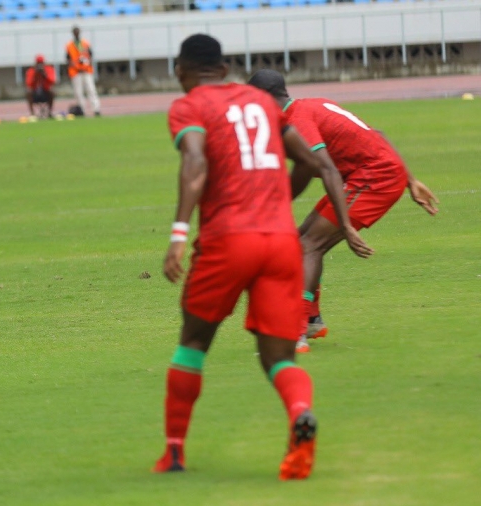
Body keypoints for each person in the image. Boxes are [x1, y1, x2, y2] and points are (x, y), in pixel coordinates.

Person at [153, 34, 372, 480]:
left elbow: (195, 162)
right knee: (280, 358)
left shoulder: (189, 106)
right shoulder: (262, 102)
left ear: (181, 70)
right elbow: (314, 164)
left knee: (193, 344)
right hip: (279, 243)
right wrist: (277, 197)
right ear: (226, 66)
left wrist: (178, 233)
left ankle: (174, 452)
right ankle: (299, 414)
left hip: (227, 240)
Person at [247, 69, 439, 353]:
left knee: (307, 246)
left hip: (376, 179)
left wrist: (347, 227)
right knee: (301, 240)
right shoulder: (314, 104)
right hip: (370, 175)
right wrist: (411, 180)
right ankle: (312, 320)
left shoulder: (296, 120)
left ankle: (296, 330)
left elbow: (326, 170)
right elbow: (378, 134)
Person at [65, 25, 100, 117]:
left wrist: (87, 65)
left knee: (91, 89)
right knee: (78, 92)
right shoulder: (69, 45)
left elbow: (90, 55)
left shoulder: (85, 43)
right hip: (76, 72)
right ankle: (82, 110)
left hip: (86, 70)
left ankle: (96, 109)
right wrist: (75, 67)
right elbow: (68, 59)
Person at [24, 54, 55, 118]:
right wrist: (35, 75)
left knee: (52, 91)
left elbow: (52, 81)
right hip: (35, 93)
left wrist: (45, 75)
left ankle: (49, 112)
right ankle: (32, 113)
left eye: (41, 63)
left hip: (45, 92)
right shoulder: (31, 71)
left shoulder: (49, 69)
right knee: (28, 92)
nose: (40, 65)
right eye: (38, 63)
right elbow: (28, 83)